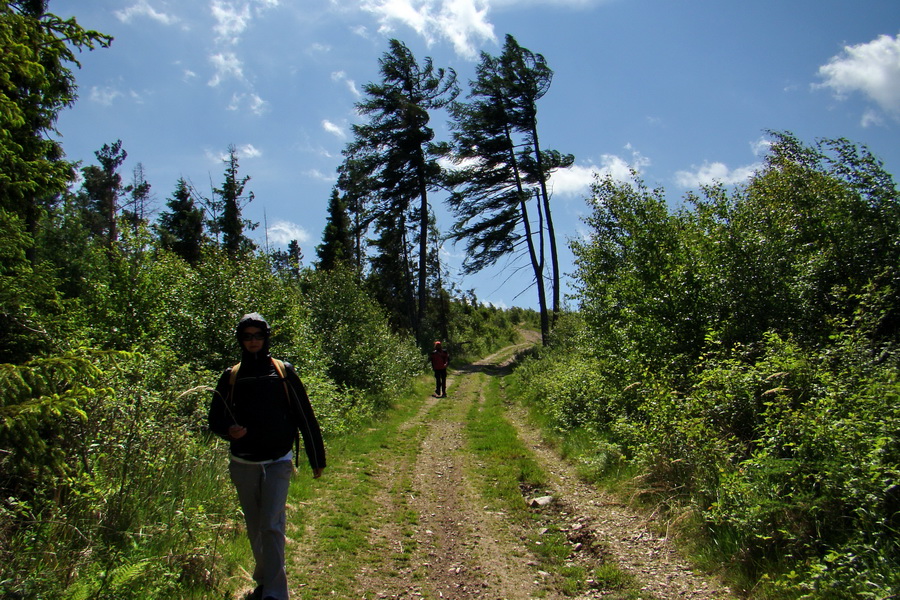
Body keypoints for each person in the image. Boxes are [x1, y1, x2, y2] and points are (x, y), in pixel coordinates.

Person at [208, 313, 326, 600]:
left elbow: (304, 415)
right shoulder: (231, 376)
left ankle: (275, 593)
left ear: (266, 338)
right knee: (255, 527)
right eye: (247, 336)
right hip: (243, 462)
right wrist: (228, 430)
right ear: (240, 340)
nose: (253, 341)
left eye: (258, 336)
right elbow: (214, 419)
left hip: (278, 460)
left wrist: (316, 458)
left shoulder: (283, 371)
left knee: (271, 525)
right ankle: (264, 578)